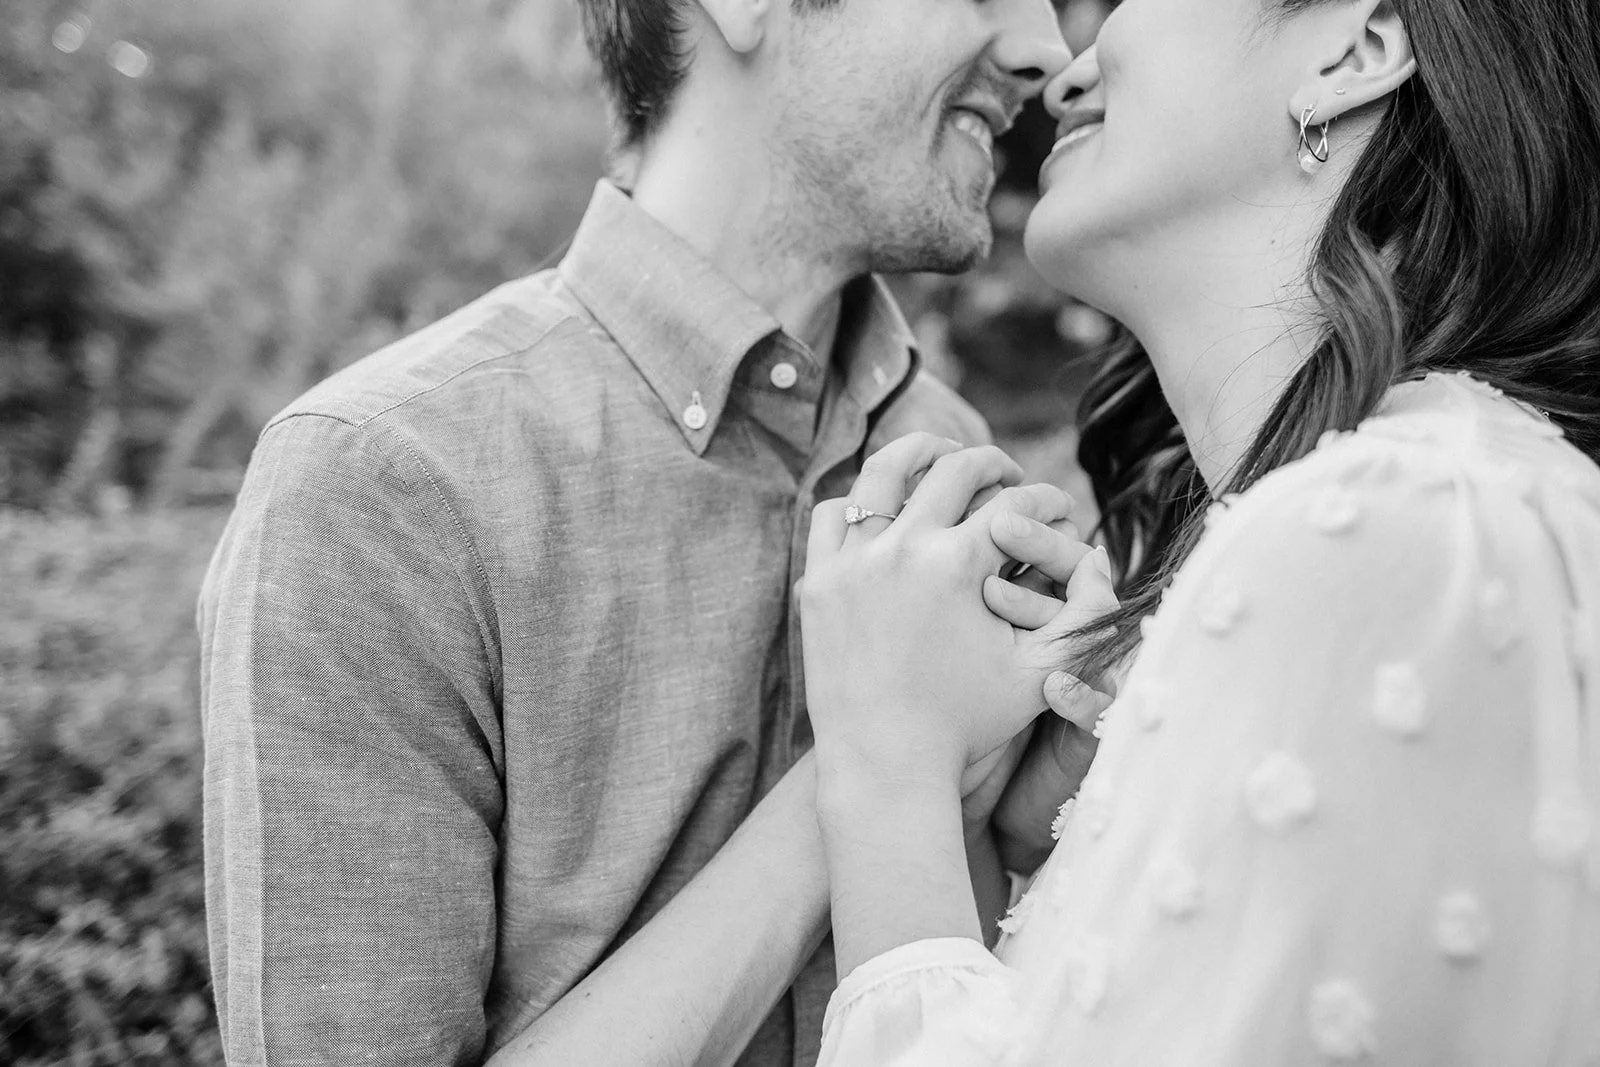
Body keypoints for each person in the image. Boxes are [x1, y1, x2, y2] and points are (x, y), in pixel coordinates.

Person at [196, 1, 1073, 1064]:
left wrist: (1040, 808)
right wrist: (878, 755)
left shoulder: (953, 455)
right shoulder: (382, 484)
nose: (1045, 47)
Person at [795, 0, 1600, 1060]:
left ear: (1355, 51)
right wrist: (1022, 833)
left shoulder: (1403, 526)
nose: (1065, 71)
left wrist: (886, 765)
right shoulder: (1408, 516)